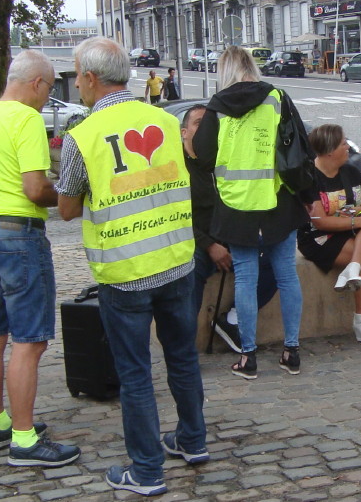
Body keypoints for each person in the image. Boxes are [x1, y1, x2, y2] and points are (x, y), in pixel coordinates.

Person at [57, 36, 207, 496]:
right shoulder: (164, 120)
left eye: (79, 75)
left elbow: (66, 209)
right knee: (182, 356)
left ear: (90, 77)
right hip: (176, 258)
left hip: (124, 272)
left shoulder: (81, 136)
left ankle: (146, 470)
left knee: (135, 372)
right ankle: (192, 441)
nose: (78, 84)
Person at [0, 50, 80, 466]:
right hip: (18, 236)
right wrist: (69, 195)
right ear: (36, 83)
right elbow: (35, 189)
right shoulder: (26, 119)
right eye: (50, 89)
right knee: (29, 341)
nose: (48, 98)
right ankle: (25, 439)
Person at [193, 45, 305, 379]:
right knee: (286, 273)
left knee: (245, 277)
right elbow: (300, 144)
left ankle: (248, 356)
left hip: (236, 203)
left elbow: (203, 154)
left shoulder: (218, 107)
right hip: (278, 201)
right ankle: (292, 351)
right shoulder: (277, 98)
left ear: (224, 71)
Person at [182, 104, 277, 353]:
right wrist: (210, 246)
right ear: (184, 132)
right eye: (198, 123)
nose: (205, 129)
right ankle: (184, 349)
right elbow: (177, 218)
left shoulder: (221, 160)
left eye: (209, 123)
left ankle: (232, 318)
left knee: (275, 259)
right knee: (190, 274)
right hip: (197, 243)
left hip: (229, 236)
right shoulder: (178, 168)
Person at [298, 124, 361, 345]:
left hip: (350, 229)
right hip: (318, 237)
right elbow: (319, 221)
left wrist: (356, 213)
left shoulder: (350, 171)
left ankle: (352, 269)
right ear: (329, 151)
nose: (348, 147)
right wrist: (357, 220)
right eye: (343, 143)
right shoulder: (310, 177)